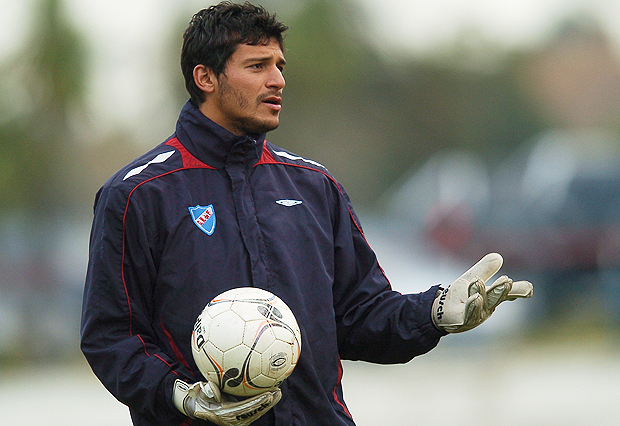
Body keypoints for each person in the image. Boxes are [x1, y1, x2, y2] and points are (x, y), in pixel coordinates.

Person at [80, 2, 533, 426]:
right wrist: (181, 395)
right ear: (206, 77)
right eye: (257, 66)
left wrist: (434, 313)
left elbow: (359, 316)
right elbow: (111, 337)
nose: (277, 80)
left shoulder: (314, 186)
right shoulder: (138, 194)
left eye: (279, 66)